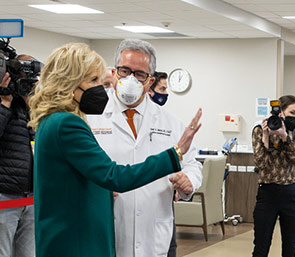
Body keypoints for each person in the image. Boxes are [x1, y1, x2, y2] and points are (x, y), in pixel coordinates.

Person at [27, 42, 202, 256]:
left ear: (150, 80)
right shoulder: (69, 123)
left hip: (143, 230)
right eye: (93, 80)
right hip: (79, 240)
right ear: (69, 83)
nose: (100, 88)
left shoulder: (53, 121)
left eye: (139, 74)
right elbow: (115, 176)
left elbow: (77, 179)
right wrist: (174, 154)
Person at [85, 39, 202, 257]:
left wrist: (189, 181)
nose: (130, 79)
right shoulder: (91, 116)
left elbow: (192, 164)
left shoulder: (169, 122)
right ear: (114, 71)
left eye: (139, 74)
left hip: (154, 228)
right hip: (105, 225)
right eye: (124, 70)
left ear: (150, 80)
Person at [251, 95, 295, 257]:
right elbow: (261, 164)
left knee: (290, 248)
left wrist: (284, 136)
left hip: (291, 195)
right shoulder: (259, 130)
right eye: (292, 112)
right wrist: (266, 138)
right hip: (268, 194)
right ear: (280, 112)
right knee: (261, 246)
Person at [0, 57, 36, 257]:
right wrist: (4, 104)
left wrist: (31, 104)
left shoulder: (29, 107)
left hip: (30, 195)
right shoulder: (4, 102)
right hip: (5, 194)